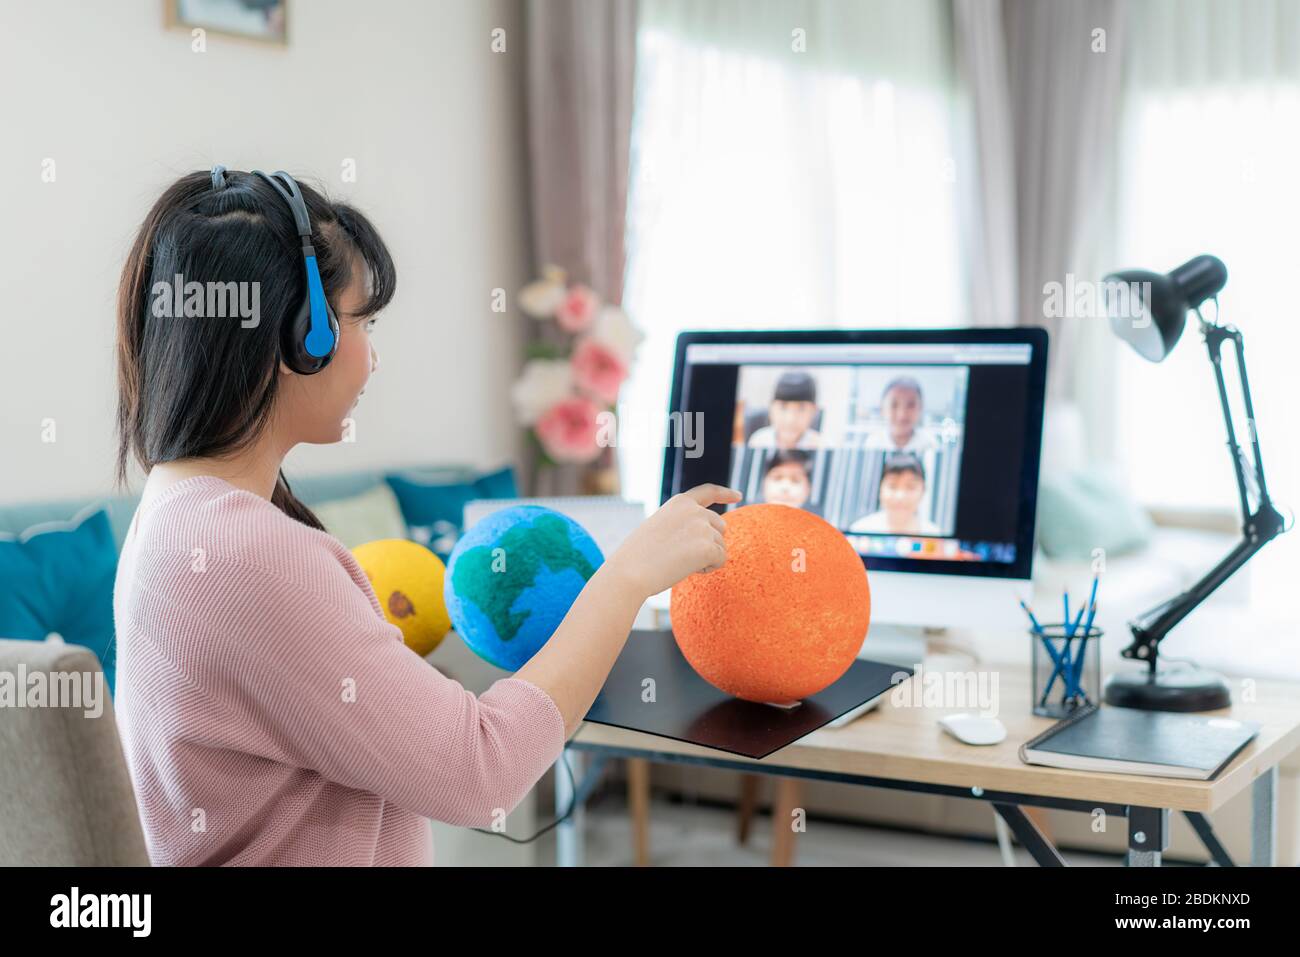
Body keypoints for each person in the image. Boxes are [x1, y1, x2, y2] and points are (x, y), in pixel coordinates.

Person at [111, 167, 741, 866]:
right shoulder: (247, 552)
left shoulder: (172, 515)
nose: (372, 357)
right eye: (362, 320)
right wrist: (628, 575)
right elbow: (482, 771)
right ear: (302, 338)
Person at [849, 453, 940, 535]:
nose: (900, 496)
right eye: (892, 486)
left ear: (923, 491)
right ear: (880, 489)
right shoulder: (859, 530)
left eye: (911, 487)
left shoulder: (934, 533)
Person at [747, 370, 822, 450]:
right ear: (771, 408)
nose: (790, 419)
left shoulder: (822, 447)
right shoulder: (759, 442)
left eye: (801, 409)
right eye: (783, 407)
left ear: (814, 411)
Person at [864, 375, 936, 453]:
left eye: (911, 405)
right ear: (882, 408)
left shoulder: (929, 443)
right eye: (894, 405)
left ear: (920, 408)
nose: (902, 414)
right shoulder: (874, 443)